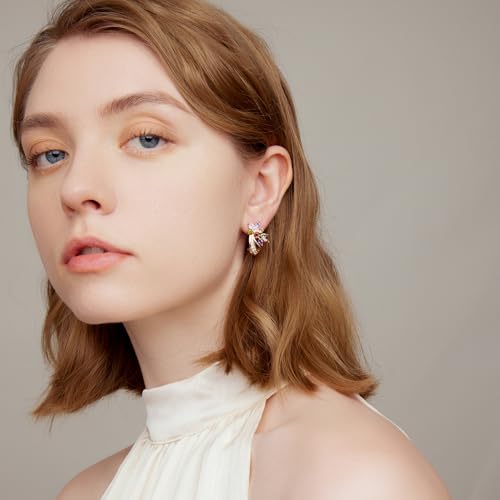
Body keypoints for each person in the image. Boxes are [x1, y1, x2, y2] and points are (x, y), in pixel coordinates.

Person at [11, 0, 452, 498]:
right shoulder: (84, 493)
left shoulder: (352, 480)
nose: (75, 188)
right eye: (49, 154)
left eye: (147, 139)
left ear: (261, 188)